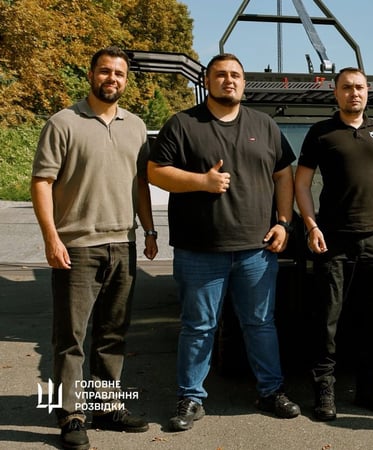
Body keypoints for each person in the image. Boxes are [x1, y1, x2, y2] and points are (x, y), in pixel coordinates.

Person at [148, 53, 299, 431]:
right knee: (199, 326)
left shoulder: (264, 125)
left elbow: (284, 175)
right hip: (200, 250)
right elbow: (155, 171)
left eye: (235, 75)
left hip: (256, 249)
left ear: (244, 83)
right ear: (207, 81)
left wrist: (283, 222)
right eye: (220, 75)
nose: (229, 80)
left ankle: (271, 391)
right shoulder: (183, 124)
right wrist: (201, 182)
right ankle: (190, 397)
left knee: (260, 324)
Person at [31, 46, 157, 450]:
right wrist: (51, 237)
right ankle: (70, 415)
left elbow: (141, 183)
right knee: (70, 337)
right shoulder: (63, 122)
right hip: (78, 246)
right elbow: (42, 182)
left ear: (126, 80)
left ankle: (106, 406)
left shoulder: (135, 126)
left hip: (123, 243)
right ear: (90, 75)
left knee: (112, 333)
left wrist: (149, 230)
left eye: (119, 73)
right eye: (105, 71)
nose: (112, 79)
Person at [295, 67, 373, 422]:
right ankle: (324, 391)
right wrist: (311, 225)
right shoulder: (321, 133)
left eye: (360, 87)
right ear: (335, 93)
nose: (354, 93)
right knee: (327, 319)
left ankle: (368, 389)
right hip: (333, 239)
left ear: (368, 92)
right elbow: (301, 183)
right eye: (347, 87)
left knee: (372, 320)